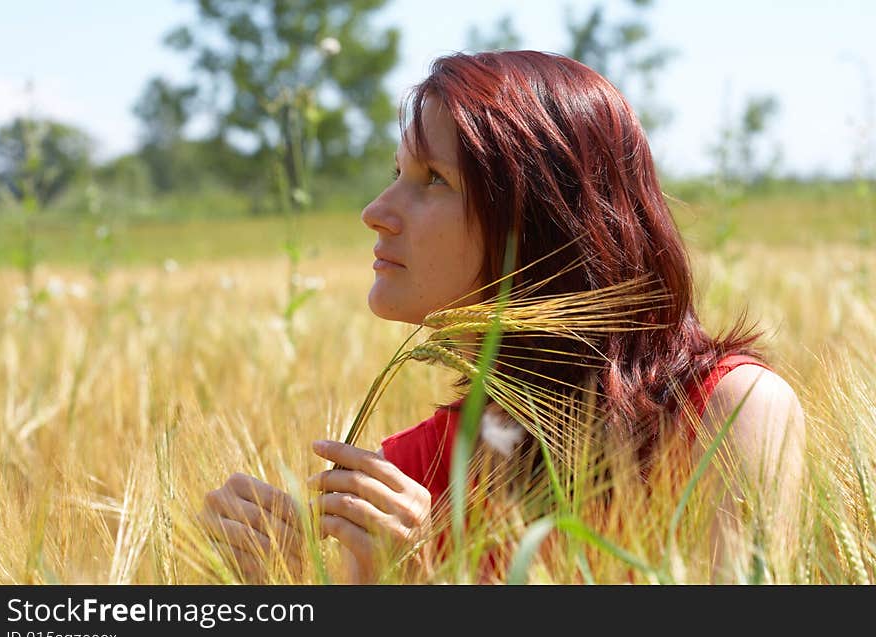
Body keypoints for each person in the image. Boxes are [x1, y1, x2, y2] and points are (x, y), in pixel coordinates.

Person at [199, 50, 806, 584]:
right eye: (397, 174)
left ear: (541, 220)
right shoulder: (406, 473)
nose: (375, 211)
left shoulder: (726, 415)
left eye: (433, 179)